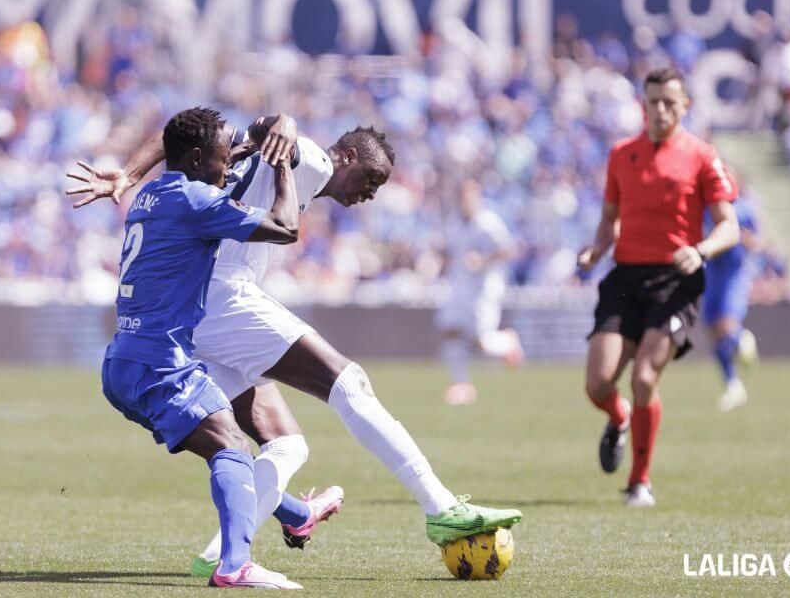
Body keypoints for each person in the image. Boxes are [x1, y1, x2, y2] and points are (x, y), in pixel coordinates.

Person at [73, 120, 524, 577]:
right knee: (348, 383)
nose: (371, 193)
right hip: (222, 297)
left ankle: (222, 555)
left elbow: (182, 129)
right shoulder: (312, 159)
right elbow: (269, 130)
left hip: (195, 312)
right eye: (371, 178)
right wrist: (281, 122)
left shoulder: (278, 163)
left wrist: (129, 175)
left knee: (286, 444)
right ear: (347, 157)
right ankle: (441, 507)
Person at [66, 107, 306, 589]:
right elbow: (286, 227)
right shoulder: (197, 201)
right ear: (196, 158)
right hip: (161, 363)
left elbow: (184, 145)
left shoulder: (151, 192)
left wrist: (243, 149)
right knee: (232, 445)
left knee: (218, 443)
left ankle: (297, 513)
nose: (228, 168)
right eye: (222, 159)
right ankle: (235, 565)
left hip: (122, 362)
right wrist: (282, 163)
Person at [577, 67, 740, 507]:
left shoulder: (703, 156)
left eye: (670, 102)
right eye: (654, 102)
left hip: (676, 280)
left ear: (686, 105)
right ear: (643, 105)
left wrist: (701, 250)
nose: (661, 110)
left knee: (645, 376)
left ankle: (639, 482)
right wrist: (596, 250)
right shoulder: (621, 154)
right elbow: (609, 220)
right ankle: (620, 417)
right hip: (625, 278)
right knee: (597, 383)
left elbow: (729, 227)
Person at [436, 179, 523, 406]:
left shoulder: (488, 223)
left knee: (480, 341)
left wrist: (483, 260)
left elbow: (509, 250)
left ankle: (508, 342)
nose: (465, 202)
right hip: (459, 287)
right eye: (462, 198)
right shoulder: (455, 223)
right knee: (449, 329)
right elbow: (451, 252)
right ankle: (461, 384)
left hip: (484, 288)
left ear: (478, 198)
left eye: (469, 198)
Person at [702, 186, 760, 412]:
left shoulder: (744, 209)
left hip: (733, 275)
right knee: (713, 331)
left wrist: (742, 239)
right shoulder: (706, 209)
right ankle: (733, 385)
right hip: (711, 273)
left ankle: (740, 338)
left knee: (726, 325)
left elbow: (756, 241)